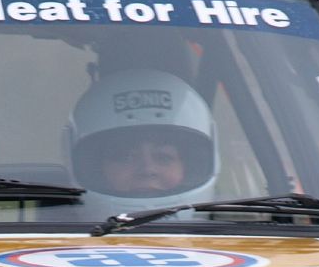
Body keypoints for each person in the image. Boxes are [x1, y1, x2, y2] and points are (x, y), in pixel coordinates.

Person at [66, 69, 217, 207]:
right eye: (126, 157)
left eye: (164, 158)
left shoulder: (230, 230)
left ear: (188, 168)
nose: (147, 170)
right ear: (97, 170)